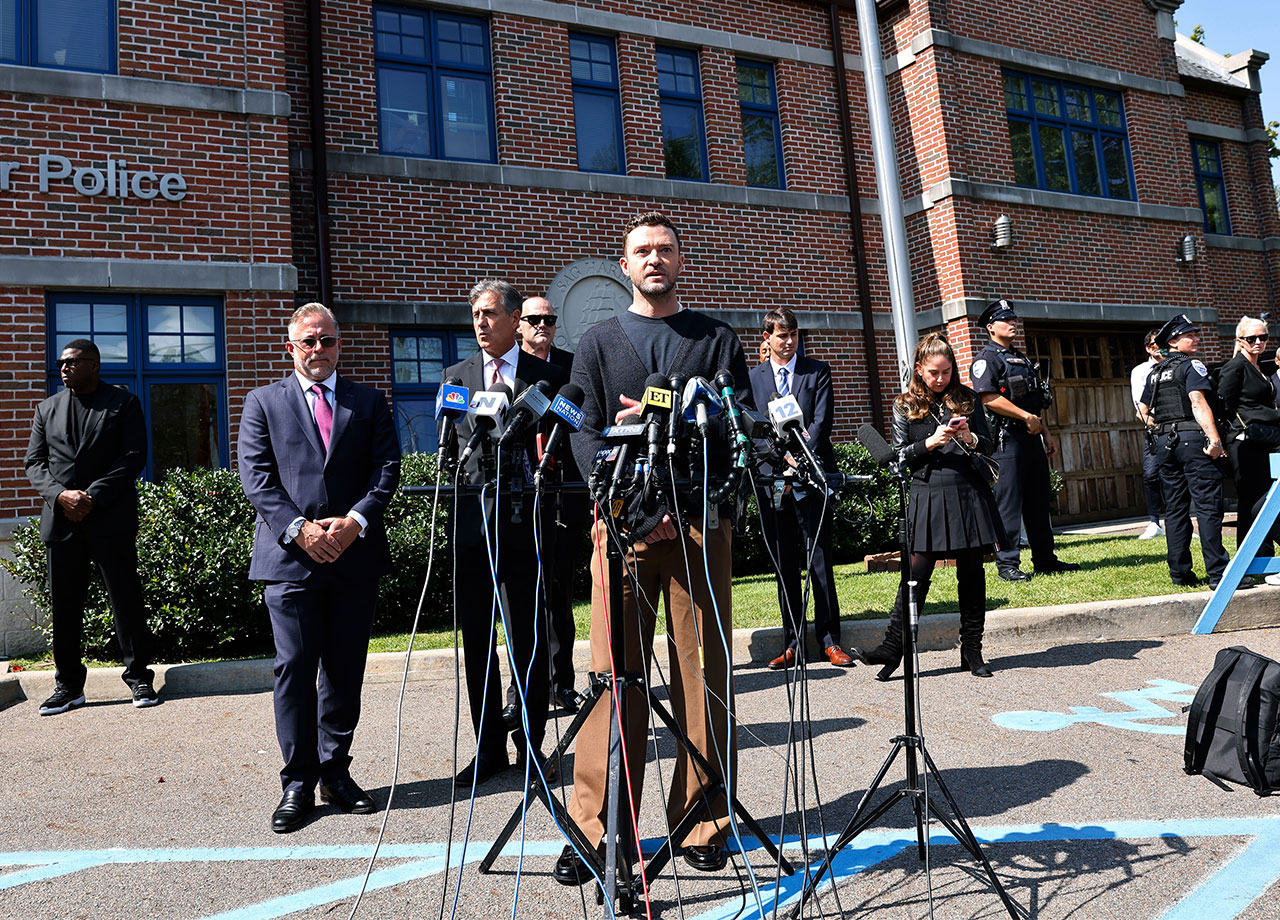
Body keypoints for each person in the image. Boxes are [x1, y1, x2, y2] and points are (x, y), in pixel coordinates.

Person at [555, 212, 752, 883]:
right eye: (643, 250)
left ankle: (701, 820)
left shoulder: (717, 338)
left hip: (700, 526)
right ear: (625, 263)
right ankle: (594, 826)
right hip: (621, 530)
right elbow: (582, 432)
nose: (655, 259)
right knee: (615, 678)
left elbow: (737, 425)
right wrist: (630, 510)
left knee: (703, 675)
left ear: (680, 258)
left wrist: (676, 469)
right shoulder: (597, 341)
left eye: (665, 249)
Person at [237, 302, 401, 833]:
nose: (318, 350)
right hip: (290, 563)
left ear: (338, 345)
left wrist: (354, 522)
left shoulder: (369, 401)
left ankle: (335, 769)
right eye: (307, 341)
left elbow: (387, 468)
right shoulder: (263, 402)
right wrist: (301, 530)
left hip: (353, 557)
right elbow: (257, 478)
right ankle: (297, 782)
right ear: (291, 347)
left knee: (345, 671)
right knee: (295, 671)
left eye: (326, 341)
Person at [446, 280, 567, 786]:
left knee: (527, 640)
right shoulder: (457, 376)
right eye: (474, 313)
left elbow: (571, 441)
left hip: (527, 526)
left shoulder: (549, 376)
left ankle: (532, 748)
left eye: (490, 313)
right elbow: (448, 448)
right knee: (478, 641)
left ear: (515, 318)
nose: (480, 322)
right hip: (473, 526)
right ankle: (488, 747)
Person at [852, 334, 1005, 679]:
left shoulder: (966, 398)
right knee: (915, 576)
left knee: (971, 573)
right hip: (927, 491)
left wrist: (969, 438)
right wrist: (930, 443)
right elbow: (896, 457)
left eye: (947, 371)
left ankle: (972, 650)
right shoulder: (905, 404)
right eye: (934, 372)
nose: (941, 379)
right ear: (919, 369)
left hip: (967, 490)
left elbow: (990, 444)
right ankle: (893, 648)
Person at [24, 339, 157, 715]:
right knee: (64, 608)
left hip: (110, 519)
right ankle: (67, 686)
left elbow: (133, 458)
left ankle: (139, 679)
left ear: (94, 365)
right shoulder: (46, 408)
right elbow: (34, 463)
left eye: (72, 362)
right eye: (61, 363)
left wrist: (92, 497)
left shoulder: (123, 403)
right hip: (61, 522)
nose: (63, 368)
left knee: (126, 602)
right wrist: (61, 496)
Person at [748, 308, 853, 670]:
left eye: (793, 334)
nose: (788, 341)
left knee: (819, 560)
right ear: (767, 338)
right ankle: (792, 643)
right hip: (774, 481)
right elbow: (754, 428)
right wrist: (780, 461)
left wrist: (801, 458)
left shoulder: (817, 372)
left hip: (812, 476)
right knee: (785, 565)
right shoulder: (754, 378)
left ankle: (829, 642)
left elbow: (822, 422)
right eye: (781, 335)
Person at [502, 295, 584, 719]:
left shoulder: (569, 370)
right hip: (516, 501)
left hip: (561, 496)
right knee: (520, 602)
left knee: (558, 594)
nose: (542, 325)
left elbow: (585, 428)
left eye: (549, 320)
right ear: (518, 325)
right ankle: (520, 692)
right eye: (534, 319)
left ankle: (561, 683)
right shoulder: (508, 372)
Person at [969, 299, 1078, 582]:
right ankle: (1007, 565)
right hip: (1008, 441)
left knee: (1039, 502)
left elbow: (1035, 402)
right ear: (991, 327)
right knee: (1009, 504)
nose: (1013, 323)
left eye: (1014, 319)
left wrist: (1045, 432)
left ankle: (1045, 559)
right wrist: (1025, 417)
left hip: (1031, 439)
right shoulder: (987, 359)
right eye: (1006, 320)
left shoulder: (1022, 358)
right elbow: (988, 397)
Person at [1138, 313, 1230, 589]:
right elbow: (1198, 401)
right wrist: (1214, 440)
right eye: (1191, 335)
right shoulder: (1192, 366)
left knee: (1176, 509)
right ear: (1175, 341)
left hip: (1165, 444)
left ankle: (1180, 574)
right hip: (1192, 440)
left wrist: (1161, 427)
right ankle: (1218, 573)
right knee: (1207, 506)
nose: (1197, 338)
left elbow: (1143, 411)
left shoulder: (1155, 372)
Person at [1218, 315, 1280, 584]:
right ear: (1239, 340)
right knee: (1256, 502)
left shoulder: (1258, 367)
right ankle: (1259, 563)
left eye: (1263, 338)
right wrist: (1224, 439)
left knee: (1261, 501)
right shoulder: (1236, 367)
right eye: (1251, 338)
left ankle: (1258, 563)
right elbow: (1222, 403)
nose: (1258, 342)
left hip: (1263, 441)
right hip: (1245, 442)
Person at [1130, 329, 1166, 540]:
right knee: (1151, 475)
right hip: (1155, 428)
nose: (1158, 348)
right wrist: (1153, 424)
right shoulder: (1141, 371)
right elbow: (1139, 406)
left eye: (1161, 344)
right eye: (1154, 345)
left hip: (1178, 427)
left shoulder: (1178, 365)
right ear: (1147, 348)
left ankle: (1178, 521)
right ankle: (1154, 522)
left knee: (1175, 477)